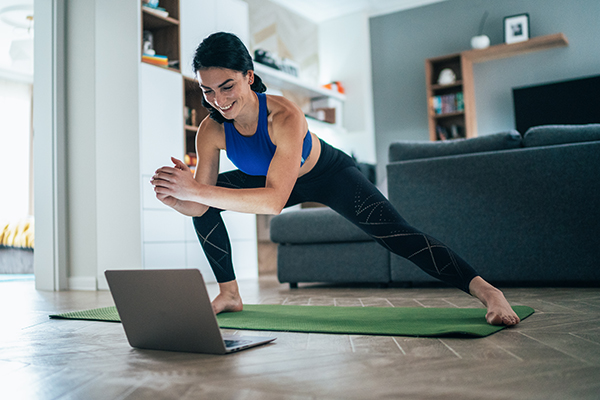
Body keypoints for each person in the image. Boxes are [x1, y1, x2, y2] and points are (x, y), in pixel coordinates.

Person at [150, 32, 520, 326]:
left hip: (327, 174)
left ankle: (489, 293)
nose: (217, 99)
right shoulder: (209, 131)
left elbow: (274, 201)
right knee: (206, 208)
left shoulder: (284, 116)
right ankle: (229, 293)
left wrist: (198, 190)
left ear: (249, 76)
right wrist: (181, 198)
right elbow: (202, 203)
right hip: (270, 181)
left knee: (397, 234)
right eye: (207, 90)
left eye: (226, 86)